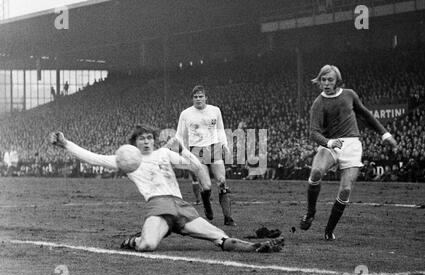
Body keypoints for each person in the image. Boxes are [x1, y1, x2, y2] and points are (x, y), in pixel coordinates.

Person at [48, 124, 284, 253]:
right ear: (134, 144)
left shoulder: (164, 153)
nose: (148, 141)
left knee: (219, 237)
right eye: (142, 139)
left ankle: (256, 247)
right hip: (158, 205)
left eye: (150, 137)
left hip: (182, 207)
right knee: (148, 245)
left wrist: (182, 149)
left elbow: (195, 166)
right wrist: (65, 143)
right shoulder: (128, 161)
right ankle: (134, 241)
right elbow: (93, 158)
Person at [300, 65, 398, 240]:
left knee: (345, 190)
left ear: (337, 81)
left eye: (330, 80)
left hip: (352, 146)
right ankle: (310, 213)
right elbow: (313, 132)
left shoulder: (349, 95)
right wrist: (329, 142)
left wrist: (385, 134)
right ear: (319, 81)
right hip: (330, 145)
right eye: (323, 80)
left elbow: (366, 115)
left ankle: (329, 231)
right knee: (315, 172)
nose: (326, 83)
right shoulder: (318, 103)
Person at [176, 85, 235, 226]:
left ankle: (228, 218)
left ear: (205, 98)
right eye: (195, 97)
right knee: (207, 186)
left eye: (200, 96)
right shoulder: (186, 114)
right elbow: (179, 135)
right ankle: (206, 203)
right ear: (192, 99)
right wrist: (182, 150)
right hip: (196, 151)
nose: (198, 99)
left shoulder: (215, 110)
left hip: (214, 148)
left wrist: (225, 145)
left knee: (222, 181)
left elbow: (220, 129)